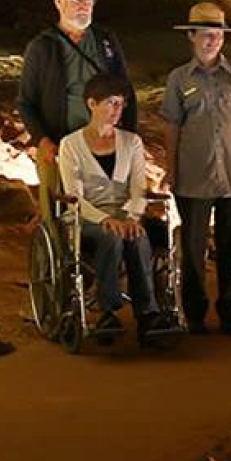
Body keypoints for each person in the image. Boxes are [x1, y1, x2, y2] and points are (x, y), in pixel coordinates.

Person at [159, 0, 231, 333]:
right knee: (192, 249)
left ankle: (229, 312)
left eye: (218, 35)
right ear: (191, 36)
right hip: (194, 173)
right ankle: (194, 314)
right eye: (206, 34)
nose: (212, 41)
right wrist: (171, 168)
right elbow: (172, 125)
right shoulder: (179, 79)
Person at [52, 85, 167, 350]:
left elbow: (138, 187)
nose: (117, 110)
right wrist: (105, 219)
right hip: (87, 217)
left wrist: (132, 217)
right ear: (92, 104)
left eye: (121, 104)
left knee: (137, 237)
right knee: (111, 237)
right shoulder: (71, 144)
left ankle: (147, 313)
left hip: (125, 214)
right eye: (111, 103)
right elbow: (74, 196)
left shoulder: (131, 141)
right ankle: (107, 309)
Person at [18, 0, 132, 229]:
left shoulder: (105, 41)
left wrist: (129, 137)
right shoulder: (43, 47)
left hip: (104, 142)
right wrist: (42, 140)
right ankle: (58, 258)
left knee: (111, 208)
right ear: (59, 2)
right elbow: (26, 102)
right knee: (57, 214)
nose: (84, 5)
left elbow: (126, 91)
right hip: (60, 145)